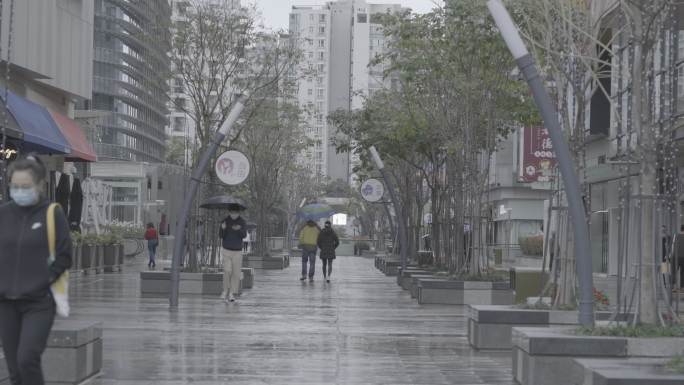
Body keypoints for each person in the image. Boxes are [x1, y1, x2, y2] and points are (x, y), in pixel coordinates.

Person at [0, 155, 72, 385]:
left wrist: (45, 279)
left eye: (25, 186)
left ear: (39, 185)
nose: (19, 191)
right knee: (14, 371)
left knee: (27, 358)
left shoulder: (52, 213)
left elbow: (65, 255)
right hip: (6, 303)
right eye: (15, 186)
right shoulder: (3, 214)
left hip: (39, 302)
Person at [219, 210, 247, 302]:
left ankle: (231, 293)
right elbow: (221, 236)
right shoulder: (225, 220)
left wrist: (239, 229)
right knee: (227, 270)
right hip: (226, 249)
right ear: (229, 212)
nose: (233, 214)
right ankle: (225, 291)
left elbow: (244, 235)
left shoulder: (242, 222)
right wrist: (223, 228)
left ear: (239, 213)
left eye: (235, 213)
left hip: (237, 251)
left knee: (236, 273)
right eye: (232, 212)